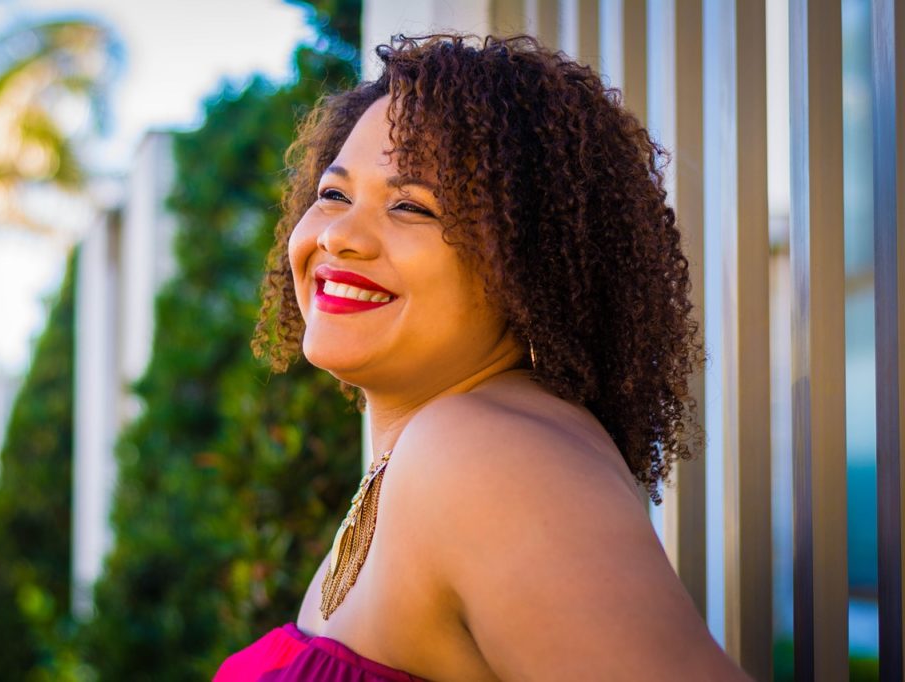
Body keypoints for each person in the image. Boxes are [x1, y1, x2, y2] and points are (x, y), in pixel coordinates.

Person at [215, 33, 751, 681]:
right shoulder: (428, 453)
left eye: (411, 205)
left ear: (528, 268)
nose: (339, 237)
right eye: (333, 195)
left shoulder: (484, 456)